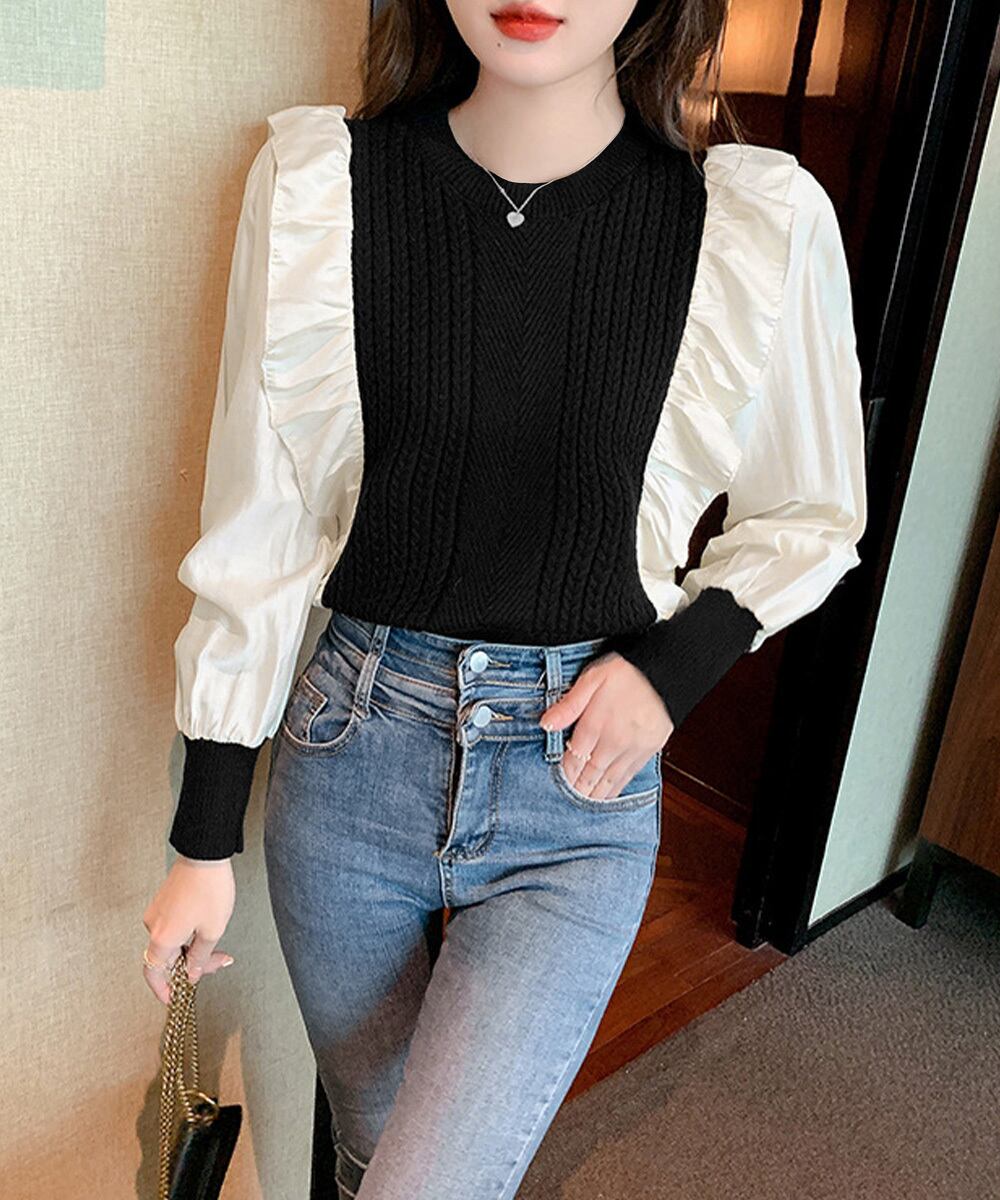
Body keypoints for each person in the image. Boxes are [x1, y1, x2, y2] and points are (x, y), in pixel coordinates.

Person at [142, 1, 868, 1195]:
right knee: (371, 1150)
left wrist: (668, 671)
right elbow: (258, 521)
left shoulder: (749, 221)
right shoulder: (321, 183)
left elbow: (812, 510)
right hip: (350, 757)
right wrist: (203, 838)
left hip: (572, 788)